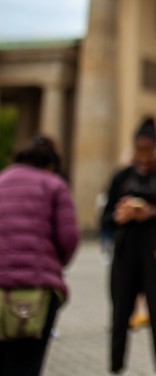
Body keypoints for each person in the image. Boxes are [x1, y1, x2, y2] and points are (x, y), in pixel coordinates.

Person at [103, 116, 156, 375]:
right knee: (120, 313)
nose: (145, 157)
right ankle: (116, 366)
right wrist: (120, 216)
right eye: (140, 151)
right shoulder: (122, 177)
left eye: (149, 150)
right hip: (126, 251)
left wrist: (153, 212)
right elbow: (105, 216)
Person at [0, 135, 80, 375]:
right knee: (27, 364)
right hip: (37, 290)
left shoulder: (1, 180)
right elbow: (69, 238)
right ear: (51, 164)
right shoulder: (53, 184)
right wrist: (53, 264)